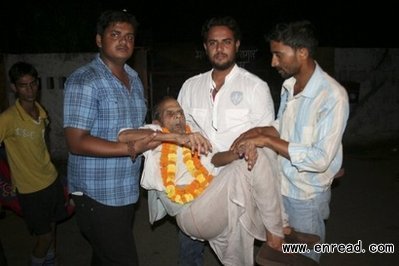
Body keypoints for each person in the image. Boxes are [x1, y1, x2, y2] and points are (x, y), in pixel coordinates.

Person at [231, 20, 350, 264]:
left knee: (304, 260)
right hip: (280, 187)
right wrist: (258, 130)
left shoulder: (332, 96)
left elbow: (320, 159)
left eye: (278, 55)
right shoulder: (290, 86)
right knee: (280, 256)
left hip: (306, 197)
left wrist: (266, 140)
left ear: (302, 52)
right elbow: (283, 127)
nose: (273, 62)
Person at [118, 97, 287, 266]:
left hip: (212, 202)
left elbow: (216, 159)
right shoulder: (154, 133)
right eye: (170, 113)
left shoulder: (195, 134)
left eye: (180, 113)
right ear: (157, 121)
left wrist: (240, 152)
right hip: (190, 212)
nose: (178, 117)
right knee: (247, 166)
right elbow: (123, 136)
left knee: (259, 152)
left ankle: (282, 234)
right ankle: (277, 236)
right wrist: (175, 137)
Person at [176, 15, 276, 265]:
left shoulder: (255, 87)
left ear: (237, 45)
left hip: (238, 182)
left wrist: (248, 147)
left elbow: (267, 138)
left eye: (226, 42)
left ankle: (276, 234)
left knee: (237, 254)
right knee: (189, 253)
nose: (219, 48)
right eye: (213, 43)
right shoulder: (190, 86)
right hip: (196, 185)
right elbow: (175, 130)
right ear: (205, 47)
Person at [63, 9, 159, 265]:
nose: (124, 41)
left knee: (104, 256)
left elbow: (132, 127)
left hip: (126, 189)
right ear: (99, 40)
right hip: (97, 192)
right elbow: (76, 141)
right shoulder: (85, 80)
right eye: (115, 34)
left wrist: (159, 132)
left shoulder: (135, 79)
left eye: (129, 36)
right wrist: (130, 148)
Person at [0, 62, 68, 266]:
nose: (29, 90)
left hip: (51, 179)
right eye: (23, 85)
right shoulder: (8, 118)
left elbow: (42, 145)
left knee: (53, 227)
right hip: (30, 188)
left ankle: (51, 261)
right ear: (14, 87)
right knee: (44, 236)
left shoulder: (42, 111)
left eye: (32, 84)